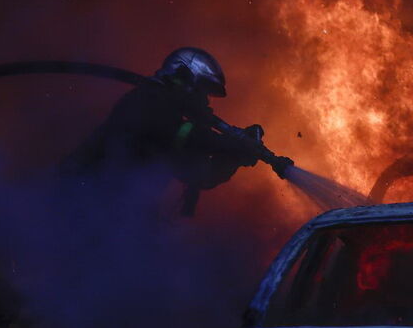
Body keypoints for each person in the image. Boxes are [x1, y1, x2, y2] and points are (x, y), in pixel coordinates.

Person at [61, 47, 263, 215]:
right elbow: (182, 134)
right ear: (183, 75)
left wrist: (236, 156)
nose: (205, 100)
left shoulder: (174, 121)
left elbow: (202, 175)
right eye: (202, 89)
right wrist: (232, 142)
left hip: (114, 215)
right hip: (79, 206)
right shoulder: (148, 100)